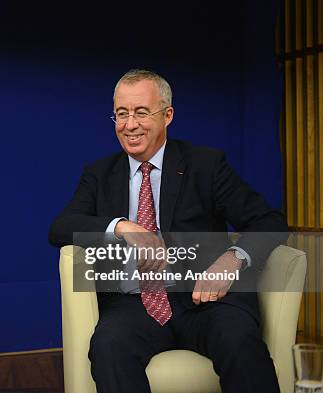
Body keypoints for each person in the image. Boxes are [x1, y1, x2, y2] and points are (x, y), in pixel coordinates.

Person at [49, 69, 288, 393]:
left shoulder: (206, 164)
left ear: (167, 115)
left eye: (141, 112)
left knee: (239, 339)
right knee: (109, 344)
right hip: (134, 306)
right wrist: (121, 227)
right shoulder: (99, 174)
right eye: (121, 114)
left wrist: (232, 261)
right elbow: (61, 227)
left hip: (206, 301)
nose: (129, 124)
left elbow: (269, 221)